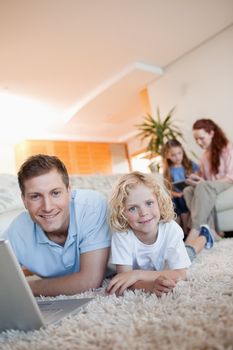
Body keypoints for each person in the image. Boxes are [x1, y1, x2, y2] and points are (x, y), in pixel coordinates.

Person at [3, 154, 111, 297]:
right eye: (35, 196)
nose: (47, 207)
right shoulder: (18, 230)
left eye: (55, 193)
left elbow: (90, 281)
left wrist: (28, 287)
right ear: (24, 200)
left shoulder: (91, 206)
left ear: (68, 191)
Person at [106, 171, 213, 297]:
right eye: (133, 208)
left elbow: (180, 273)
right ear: (121, 213)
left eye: (149, 203)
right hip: (158, 271)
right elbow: (124, 279)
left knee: (190, 251)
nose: (144, 213)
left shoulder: (171, 229)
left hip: (167, 266)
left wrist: (137, 274)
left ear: (159, 202)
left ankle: (204, 236)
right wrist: (149, 286)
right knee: (188, 249)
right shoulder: (122, 235)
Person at [184, 118, 233, 240]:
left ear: (211, 133)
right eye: (196, 139)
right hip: (210, 187)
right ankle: (210, 229)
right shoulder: (204, 156)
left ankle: (195, 229)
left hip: (227, 183)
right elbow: (204, 179)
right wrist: (196, 178)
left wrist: (206, 183)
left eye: (201, 138)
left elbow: (230, 176)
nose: (199, 142)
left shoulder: (227, 149)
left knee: (203, 186)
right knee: (188, 190)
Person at [162, 139, 199, 235]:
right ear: (167, 156)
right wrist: (175, 194)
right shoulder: (168, 170)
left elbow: (198, 176)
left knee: (182, 199)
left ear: (183, 152)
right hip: (176, 195)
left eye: (179, 153)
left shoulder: (189, 164)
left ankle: (186, 231)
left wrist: (193, 176)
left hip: (189, 191)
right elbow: (168, 188)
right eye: (173, 155)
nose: (177, 157)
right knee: (173, 202)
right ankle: (178, 231)